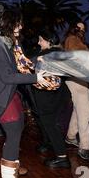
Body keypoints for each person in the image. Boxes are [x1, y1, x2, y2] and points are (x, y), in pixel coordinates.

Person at [0, 9, 50, 178]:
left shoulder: (8, 42)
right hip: (0, 96)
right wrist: (36, 78)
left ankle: (12, 164)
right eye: (17, 23)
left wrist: (34, 61)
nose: (21, 26)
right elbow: (6, 76)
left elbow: (18, 65)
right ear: (9, 24)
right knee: (13, 133)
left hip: (9, 94)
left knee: (17, 127)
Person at [31, 28, 71, 168]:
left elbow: (33, 68)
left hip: (48, 98)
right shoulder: (60, 54)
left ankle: (62, 157)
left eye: (41, 40)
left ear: (49, 41)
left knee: (51, 126)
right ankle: (49, 145)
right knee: (51, 124)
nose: (39, 42)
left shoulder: (46, 55)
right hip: (59, 96)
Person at [63, 21, 89, 162]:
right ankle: (84, 147)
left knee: (79, 110)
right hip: (76, 79)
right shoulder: (72, 39)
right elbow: (79, 54)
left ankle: (70, 136)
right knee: (85, 112)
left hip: (81, 79)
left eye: (83, 28)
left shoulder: (76, 40)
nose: (80, 29)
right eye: (77, 27)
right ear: (72, 28)